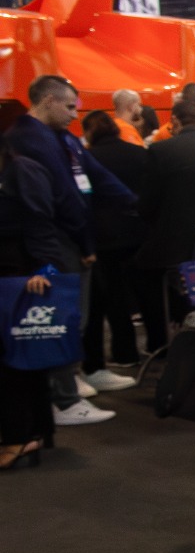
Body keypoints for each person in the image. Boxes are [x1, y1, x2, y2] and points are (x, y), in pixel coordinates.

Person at [3, 75, 134, 426]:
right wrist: (85, 243)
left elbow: (95, 176)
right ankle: (62, 399)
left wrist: (134, 204)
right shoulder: (28, 140)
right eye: (70, 107)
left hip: (69, 241)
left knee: (77, 317)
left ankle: (69, 384)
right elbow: (62, 199)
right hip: (55, 244)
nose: (76, 115)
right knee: (61, 320)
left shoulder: (62, 138)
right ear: (48, 101)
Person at [0, 136, 65, 469]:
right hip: (14, 273)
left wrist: (45, 266)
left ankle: (20, 436)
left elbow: (40, 220)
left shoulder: (21, 170)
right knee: (20, 356)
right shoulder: (15, 170)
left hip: (18, 275)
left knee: (15, 359)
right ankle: (29, 432)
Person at [79, 108, 151, 391]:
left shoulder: (88, 158)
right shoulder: (139, 153)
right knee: (144, 293)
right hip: (138, 233)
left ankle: (124, 353)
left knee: (111, 299)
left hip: (104, 239)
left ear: (89, 132)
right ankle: (155, 346)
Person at [135, 98, 195, 350]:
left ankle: (159, 345)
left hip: (172, 244)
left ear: (175, 120)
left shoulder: (161, 151)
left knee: (147, 277)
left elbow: (147, 204)